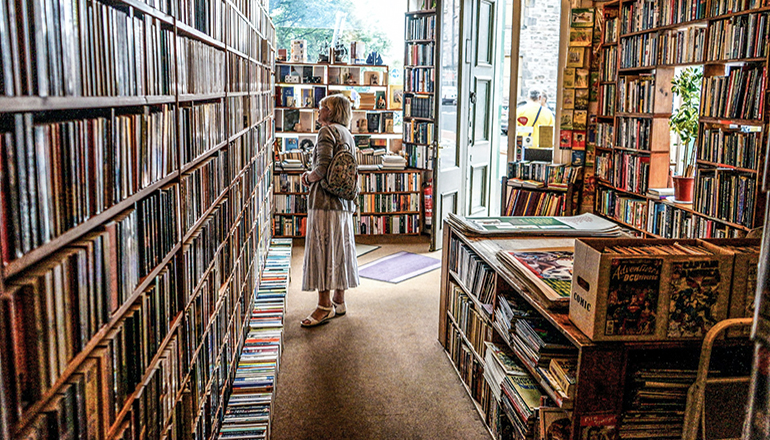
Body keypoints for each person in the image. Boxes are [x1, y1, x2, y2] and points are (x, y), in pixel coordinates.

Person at [299, 94, 360, 327]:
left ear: (332, 112)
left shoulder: (326, 132)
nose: (318, 109)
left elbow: (321, 169)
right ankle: (339, 300)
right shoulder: (347, 134)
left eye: (323, 107)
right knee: (339, 250)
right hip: (343, 202)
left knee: (321, 251)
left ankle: (323, 306)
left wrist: (306, 177)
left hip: (324, 203)